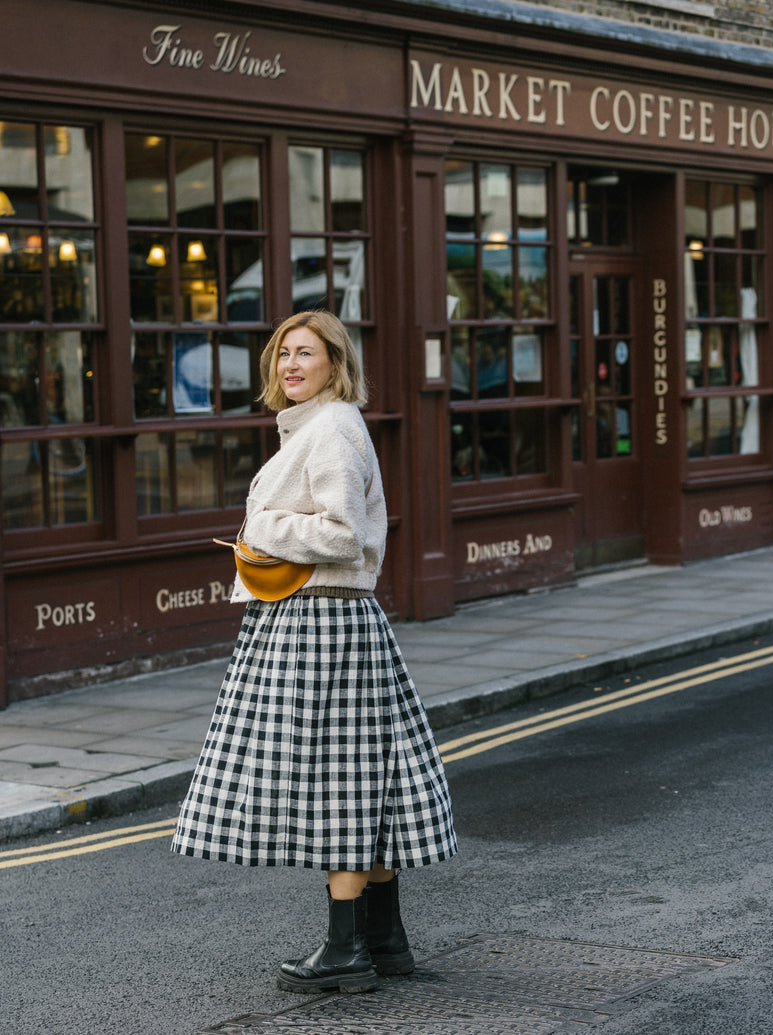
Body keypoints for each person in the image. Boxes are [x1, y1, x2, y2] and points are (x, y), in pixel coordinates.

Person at [171, 310, 457, 995]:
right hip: (327, 622)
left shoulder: (331, 429)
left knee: (339, 780)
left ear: (336, 361)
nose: (289, 366)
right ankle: (384, 940)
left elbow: (343, 534)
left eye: (305, 353)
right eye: (281, 355)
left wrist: (261, 524)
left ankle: (344, 950)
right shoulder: (321, 426)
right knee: (369, 776)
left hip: (319, 624)